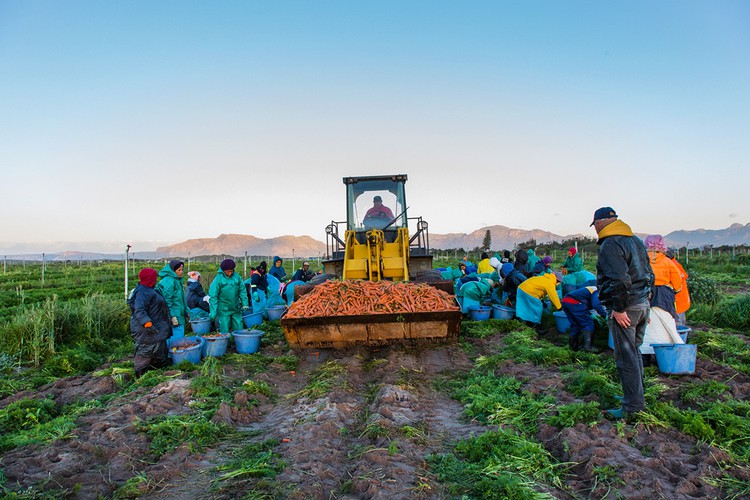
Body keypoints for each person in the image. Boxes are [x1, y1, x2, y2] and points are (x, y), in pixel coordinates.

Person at [592, 206, 653, 419]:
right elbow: (648, 272)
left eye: (596, 226)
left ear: (599, 223)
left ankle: (632, 407)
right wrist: (646, 298)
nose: (596, 230)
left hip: (626, 307)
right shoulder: (635, 240)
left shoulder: (610, 243)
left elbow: (619, 279)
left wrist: (618, 309)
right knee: (634, 353)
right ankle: (635, 396)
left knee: (625, 357)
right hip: (641, 303)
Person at [128, 268, 171, 378]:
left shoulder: (149, 289)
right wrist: (147, 323)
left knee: (158, 350)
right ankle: (140, 376)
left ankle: (157, 371)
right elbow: (139, 309)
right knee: (146, 350)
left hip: (156, 328)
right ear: (149, 278)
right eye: (154, 278)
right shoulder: (143, 292)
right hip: (147, 329)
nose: (156, 280)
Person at [644, 235, 682, 319]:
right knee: (666, 319)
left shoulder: (641, 260)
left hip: (645, 292)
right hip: (664, 294)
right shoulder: (667, 261)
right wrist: (675, 290)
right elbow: (677, 280)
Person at [561, 286, 607, 352]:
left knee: (576, 324)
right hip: (574, 303)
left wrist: (590, 314)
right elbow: (596, 305)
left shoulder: (591, 289)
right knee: (588, 323)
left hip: (565, 301)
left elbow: (583, 301)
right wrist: (605, 316)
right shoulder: (597, 291)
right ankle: (588, 347)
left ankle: (573, 347)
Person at [209, 259, 249, 333]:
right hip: (223, 309)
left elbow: (242, 290)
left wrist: (245, 303)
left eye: (231, 271)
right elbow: (213, 296)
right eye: (228, 271)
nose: (230, 273)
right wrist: (213, 311)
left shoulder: (237, 277)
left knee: (239, 326)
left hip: (235, 307)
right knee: (224, 329)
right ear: (223, 270)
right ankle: (225, 343)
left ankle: (239, 342)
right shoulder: (218, 279)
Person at [155, 259, 187, 341]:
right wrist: (172, 316)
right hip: (174, 313)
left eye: (182, 270)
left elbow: (180, 299)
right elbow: (167, 301)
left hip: (178, 312)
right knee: (176, 337)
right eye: (179, 270)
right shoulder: (168, 282)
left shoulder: (176, 280)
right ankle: (173, 352)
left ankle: (175, 352)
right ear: (173, 270)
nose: (181, 272)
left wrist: (186, 311)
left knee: (178, 335)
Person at [667, 248, 691, 326]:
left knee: (677, 324)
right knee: (680, 323)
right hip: (681, 301)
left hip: (676, 302)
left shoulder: (671, 266)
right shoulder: (675, 264)